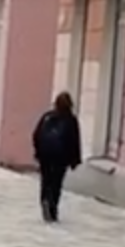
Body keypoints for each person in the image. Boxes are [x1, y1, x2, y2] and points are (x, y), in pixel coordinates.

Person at [31, 93, 83, 222]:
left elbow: (36, 135)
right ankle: (53, 207)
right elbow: (74, 140)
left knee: (46, 180)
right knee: (56, 183)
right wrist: (75, 160)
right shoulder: (71, 120)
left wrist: (38, 152)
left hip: (45, 156)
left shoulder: (47, 116)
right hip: (61, 157)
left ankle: (44, 200)